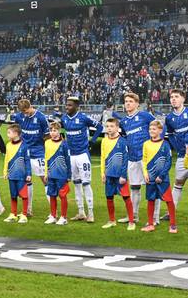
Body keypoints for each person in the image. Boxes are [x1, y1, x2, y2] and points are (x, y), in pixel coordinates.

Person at [59, 95, 100, 223]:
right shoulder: (64, 118)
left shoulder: (83, 118)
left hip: (82, 155)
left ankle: (91, 213)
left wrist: (92, 141)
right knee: (76, 183)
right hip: (71, 156)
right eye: (66, 105)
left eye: (70, 105)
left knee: (86, 183)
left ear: (77, 106)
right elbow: (61, 131)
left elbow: (100, 127)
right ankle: (81, 212)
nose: (67, 107)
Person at [117, 92, 156, 224]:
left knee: (152, 187)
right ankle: (133, 215)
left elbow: (159, 128)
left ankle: (154, 218)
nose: (128, 103)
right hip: (132, 158)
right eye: (126, 101)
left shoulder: (145, 116)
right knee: (134, 187)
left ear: (137, 104)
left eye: (131, 101)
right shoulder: (124, 122)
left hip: (147, 158)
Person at [10, 98, 48, 217]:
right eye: (23, 112)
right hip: (25, 154)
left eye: (26, 111)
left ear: (30, 106)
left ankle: (54, 211)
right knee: (27, 181)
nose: (25, 114)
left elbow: (47, 136)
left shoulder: (41, 118)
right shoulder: (19, 117)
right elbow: (16, 133)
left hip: (38, 153)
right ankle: (29, 209)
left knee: (45, 180)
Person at [141, 120, 176, 233]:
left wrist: (161, 176)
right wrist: (145, 174)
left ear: (160, 131)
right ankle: (151, 224)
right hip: (150, 178)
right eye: (150, 129)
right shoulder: (146, 144)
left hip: (163, 179)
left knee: (169, 200)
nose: (151, 131)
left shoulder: (165, 144)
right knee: (150, 200)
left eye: (154, 129)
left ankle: (173, 225)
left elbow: (168, 162)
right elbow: (144, 160)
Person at [164, 89, 188, 212]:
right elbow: (170, 134)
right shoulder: (170, 118)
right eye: (171, 97)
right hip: (182, 156)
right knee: (178, 183)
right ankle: (170, 211)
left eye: (176, 96)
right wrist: (176, 146)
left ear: (183, 99)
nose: (173, 99)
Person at [99, 117, 133, 230]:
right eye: (107, 126)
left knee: (126, 197)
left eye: (112, 126)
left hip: (120, 176)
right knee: (109, 198)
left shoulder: (122, 141)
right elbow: (103, 157)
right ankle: (112, 220)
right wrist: (102, 173)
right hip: (109, 175)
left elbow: (125, 159)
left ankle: (131, 222)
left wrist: (123, 175)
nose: (109, 128)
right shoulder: (104, 141)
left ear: (117, 128)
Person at [2, 124, 31, 224]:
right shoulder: (8, 145)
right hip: (12, 175)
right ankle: (13, 214)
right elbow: (6, 159)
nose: (7, 134)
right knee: (13, 195)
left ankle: (24, 214)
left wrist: (28, 174)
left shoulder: (24, 145)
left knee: (24, 195)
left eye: (9, 132)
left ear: (16, 133)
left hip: (22, 176)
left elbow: (27, 161)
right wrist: (5, 171)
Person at [43, 125, 71, 225]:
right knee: (52, 195)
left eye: (54, 130)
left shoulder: (64, 144)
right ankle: (53, 216)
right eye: (50, 130)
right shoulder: (47, 143)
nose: (52, 132)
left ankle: (63, 217)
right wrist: (46, 173)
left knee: (62, 195)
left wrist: (69, 175)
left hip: (62, 175)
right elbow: (46, 159)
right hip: (51, 174)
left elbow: (68, 160)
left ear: (59, 131)